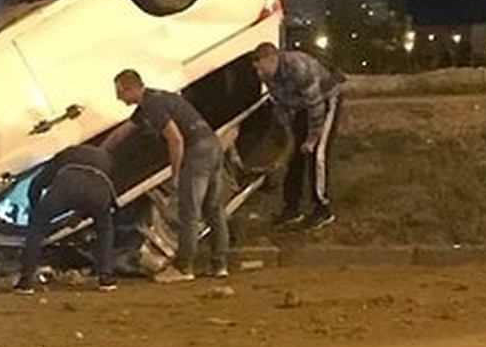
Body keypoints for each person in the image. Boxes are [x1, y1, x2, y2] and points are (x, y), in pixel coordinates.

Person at [101, 69, 230, 282]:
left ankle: (184, 267)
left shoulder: (152, 105)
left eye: (120, 92)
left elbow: (175, 139)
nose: (118, 97)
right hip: (212, 145)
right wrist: (100, 151)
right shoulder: (155, 100)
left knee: (189, 211)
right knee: (213, 208)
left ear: (132, 88)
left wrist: (176, 173)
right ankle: (220, 265)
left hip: (196, 151)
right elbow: (124, 131)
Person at [250, 41, 344, 230]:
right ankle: (292, 208)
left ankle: (322, 209)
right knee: (295, 157)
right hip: (301, 106)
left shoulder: (298, 67)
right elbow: (281, 105)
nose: (260, 74)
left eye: (261, 68)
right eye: (257, 70)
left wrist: (311, 139)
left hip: (325, 99)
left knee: (317, 154)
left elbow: (316, 106)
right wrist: (289, 136)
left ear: (272, 58)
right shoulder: (269, 76)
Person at [14, 143, 119, 294]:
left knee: (36, 229)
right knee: (105, 228)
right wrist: (81, 215)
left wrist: (36, 211)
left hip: (66, 185)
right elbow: (101, 188)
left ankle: (25, 281)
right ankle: (106, 277)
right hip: (99, 189)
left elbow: (37, 184)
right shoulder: (105, 158)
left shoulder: (65, 154)